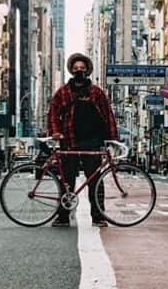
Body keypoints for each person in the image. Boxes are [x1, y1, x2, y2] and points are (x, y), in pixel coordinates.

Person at [47, 52, 118, 227]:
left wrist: (113, 139)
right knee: (67, 181)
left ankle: (98, 216)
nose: (79, 71)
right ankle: (63, 216)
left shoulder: (96, 92)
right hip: (69, 142)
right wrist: (55, 132)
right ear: (71, 70)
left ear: (87, 71)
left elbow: (108, 116)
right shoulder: (62, 92)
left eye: (82, 68)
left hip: (92, 143)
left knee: (95, 181)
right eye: (76, 68)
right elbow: (53, 114)